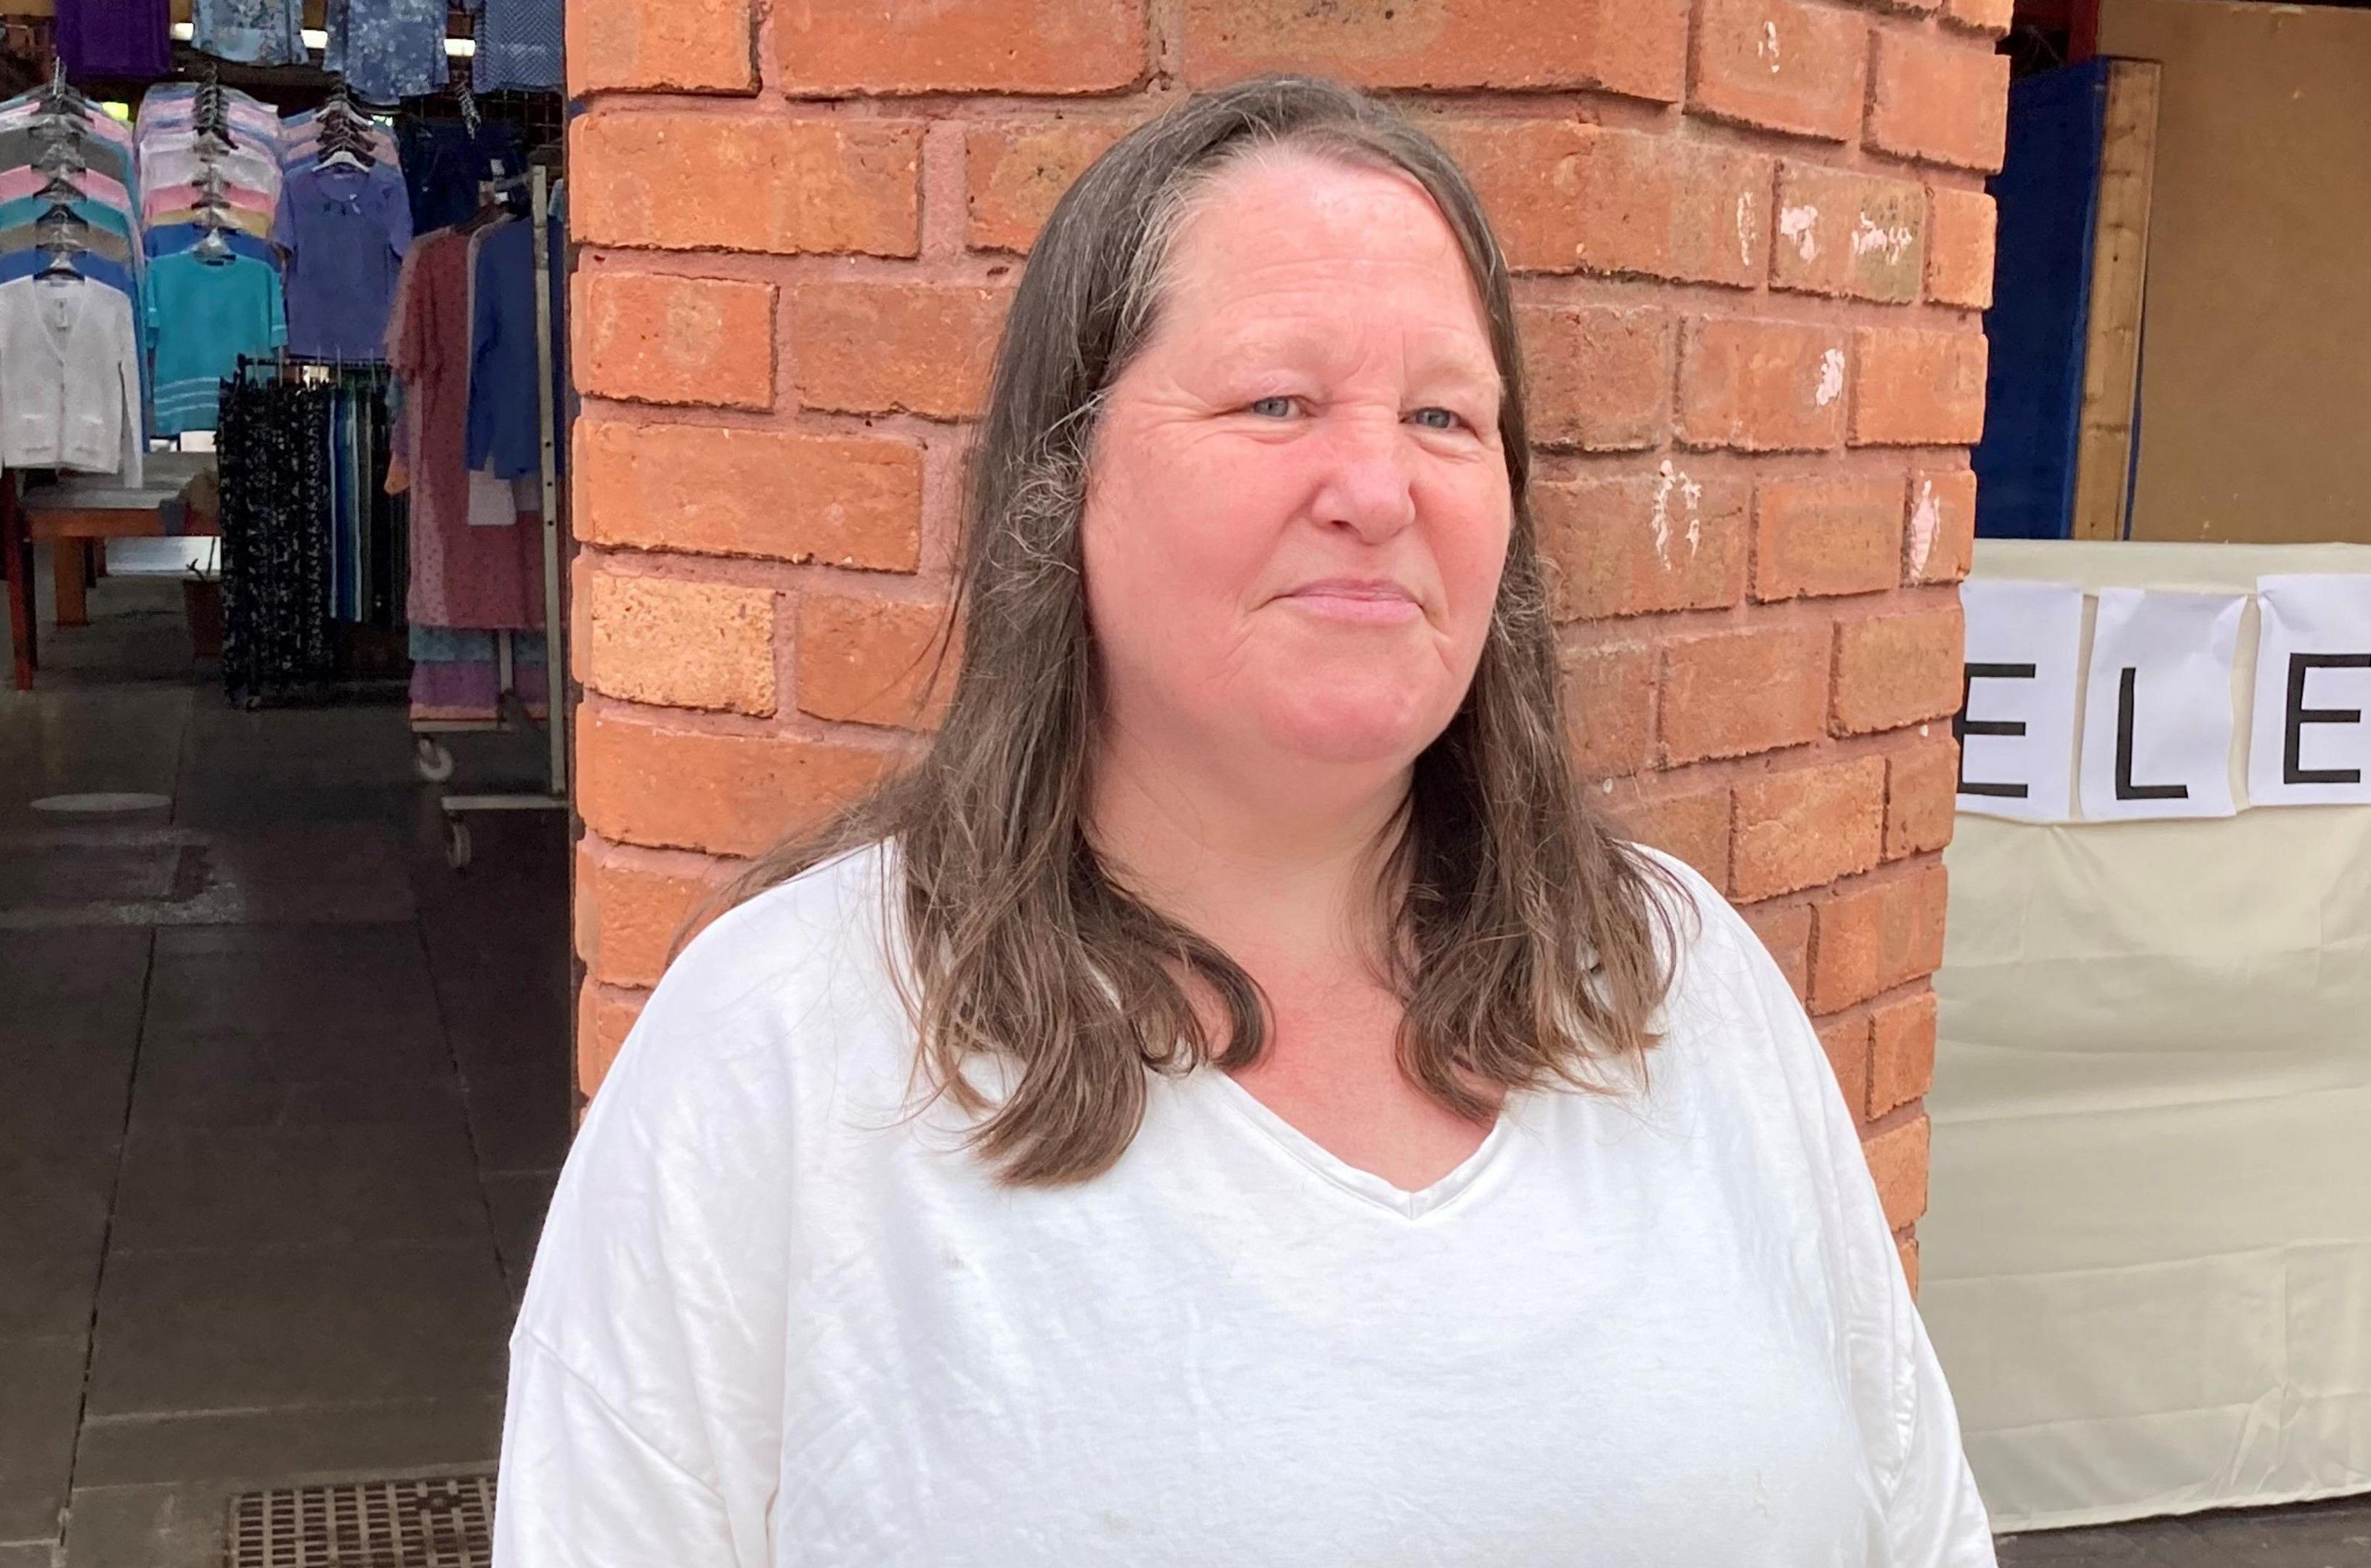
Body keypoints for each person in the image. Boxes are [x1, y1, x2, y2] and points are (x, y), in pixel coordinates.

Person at [495, 74, 1995, 1567]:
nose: (1377, 485)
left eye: (1443, 415)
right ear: (1061, 484)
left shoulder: (1676, 983)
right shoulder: (787, 1050)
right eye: (1277, 400)